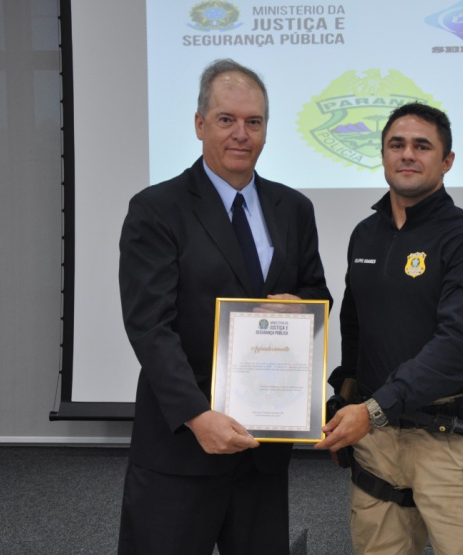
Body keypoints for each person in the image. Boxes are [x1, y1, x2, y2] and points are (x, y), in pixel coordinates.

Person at [117, 58, 331, 555]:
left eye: (253, 122)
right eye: (226, 119)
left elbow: (317, 295)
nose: (241, 134)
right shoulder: (157, 209)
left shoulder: (294, 209)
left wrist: (300, 307)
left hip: (263, 449)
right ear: (199, 124)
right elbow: (150, 325)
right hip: (182, 446)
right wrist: (197, 415)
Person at [315, 103, 463, 554]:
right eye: (396, 144)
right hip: (376, 442)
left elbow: (457, 347)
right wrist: (344, 401)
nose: (407, 154)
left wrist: (373, 409)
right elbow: (356, 330)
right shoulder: (365, 235)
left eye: (422, 146)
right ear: (383, 154)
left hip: (448, 443)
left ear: (447, 161)